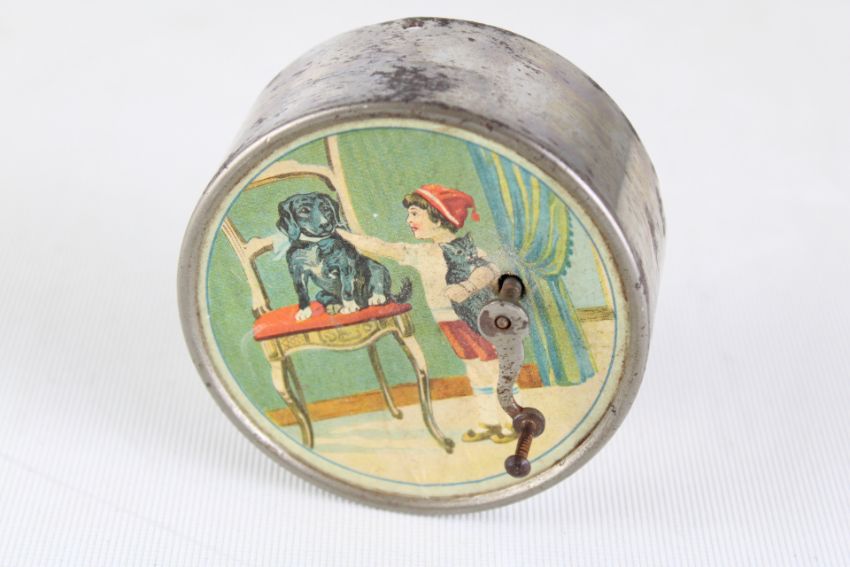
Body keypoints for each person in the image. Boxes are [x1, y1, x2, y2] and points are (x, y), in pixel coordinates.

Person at [337, 184, 517, 443]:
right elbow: (382, 247)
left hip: (476, 319)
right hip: (447, 321)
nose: (409, 221)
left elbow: (490, 270)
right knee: (474, 368)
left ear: (439, 217)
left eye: (414, 214)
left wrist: (467, 287)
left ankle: (513, 418)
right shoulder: (421, 253)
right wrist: (345, 236)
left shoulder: (467, 249)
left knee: (494, 366)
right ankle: (489, 421)